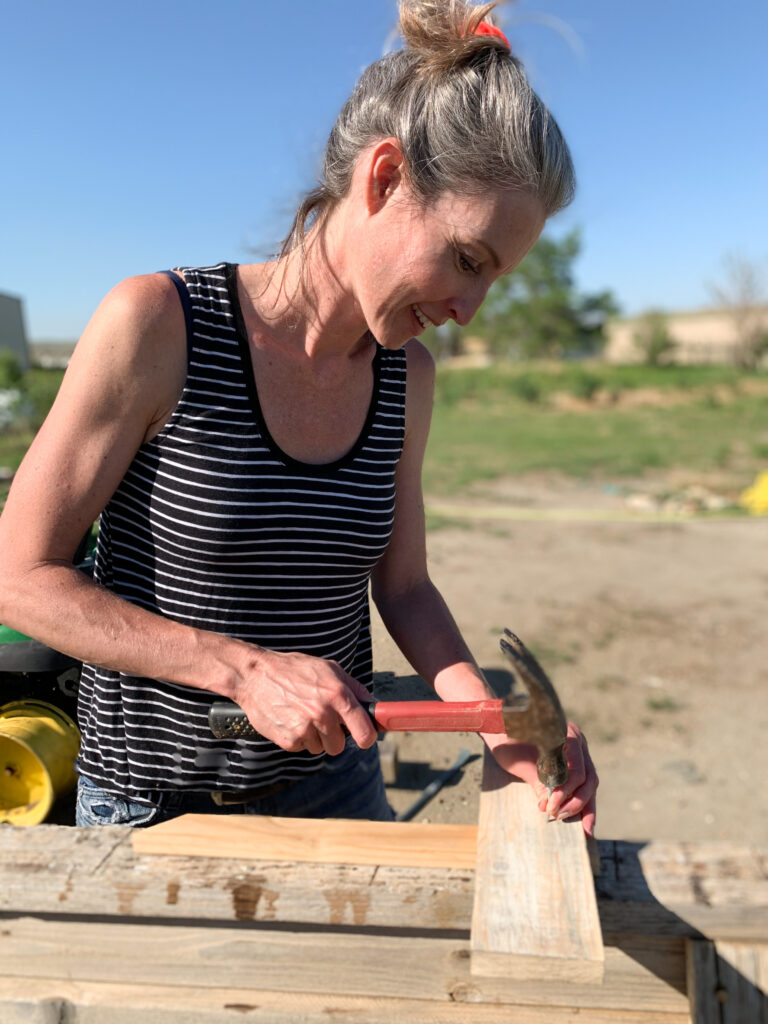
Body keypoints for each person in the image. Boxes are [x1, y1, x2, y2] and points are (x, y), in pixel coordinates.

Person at [0, 0, 597, 832]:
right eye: (466, 260)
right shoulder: (161, 327)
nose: (471, 308)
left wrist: (497, 725)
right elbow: (18, 577)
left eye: (493, 279)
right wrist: (242, 671)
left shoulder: (407, 379)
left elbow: (405, 585)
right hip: (150, 805)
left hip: (333, 788)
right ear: (385, 178)